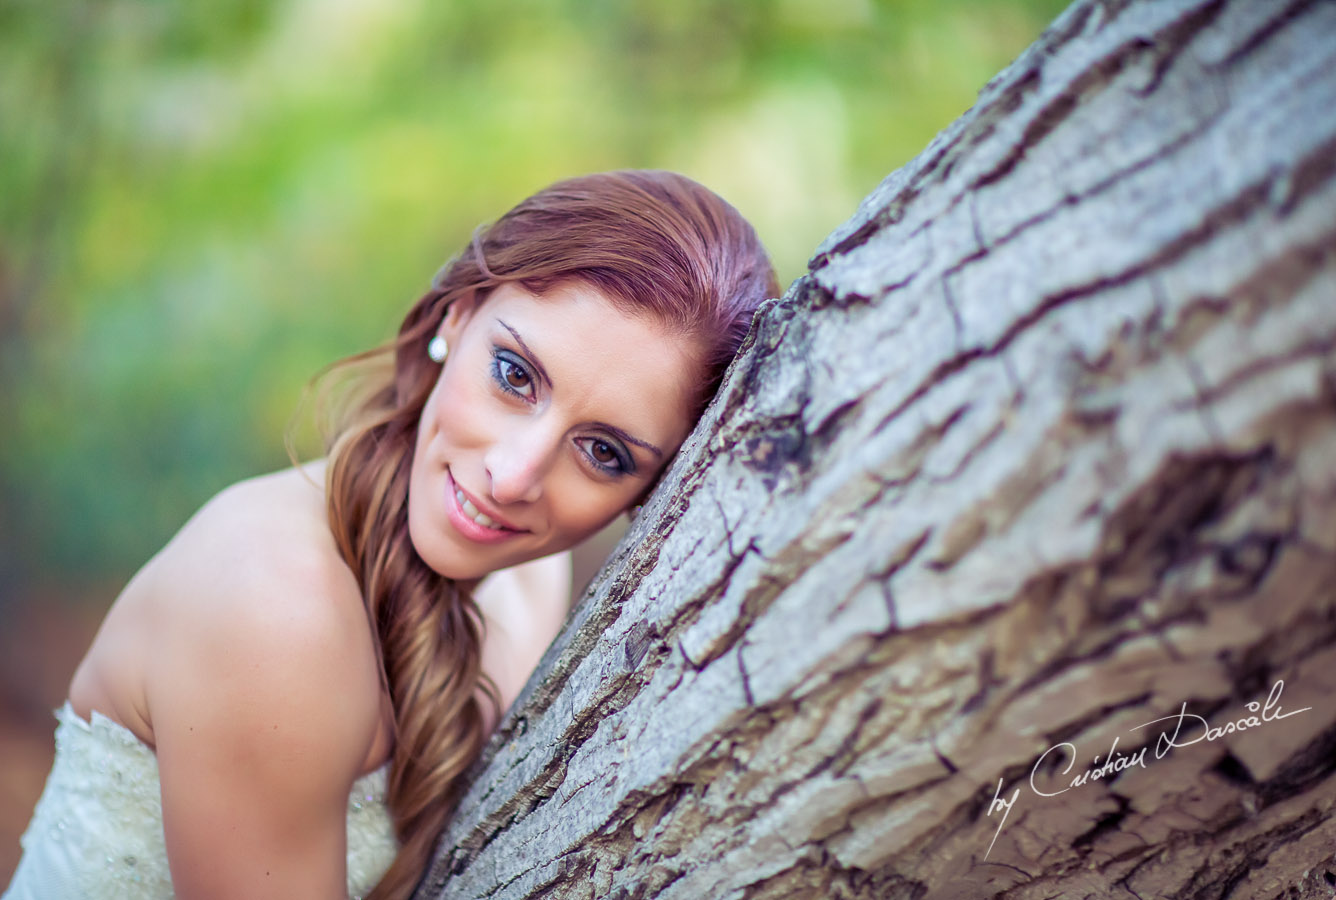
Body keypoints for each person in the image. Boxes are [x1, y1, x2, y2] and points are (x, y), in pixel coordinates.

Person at [3, 169, 779, 899]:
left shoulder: (530, 583)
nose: (513, 476)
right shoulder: (274, 607)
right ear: (455, 316)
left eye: (603, 453)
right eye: (515, 375)